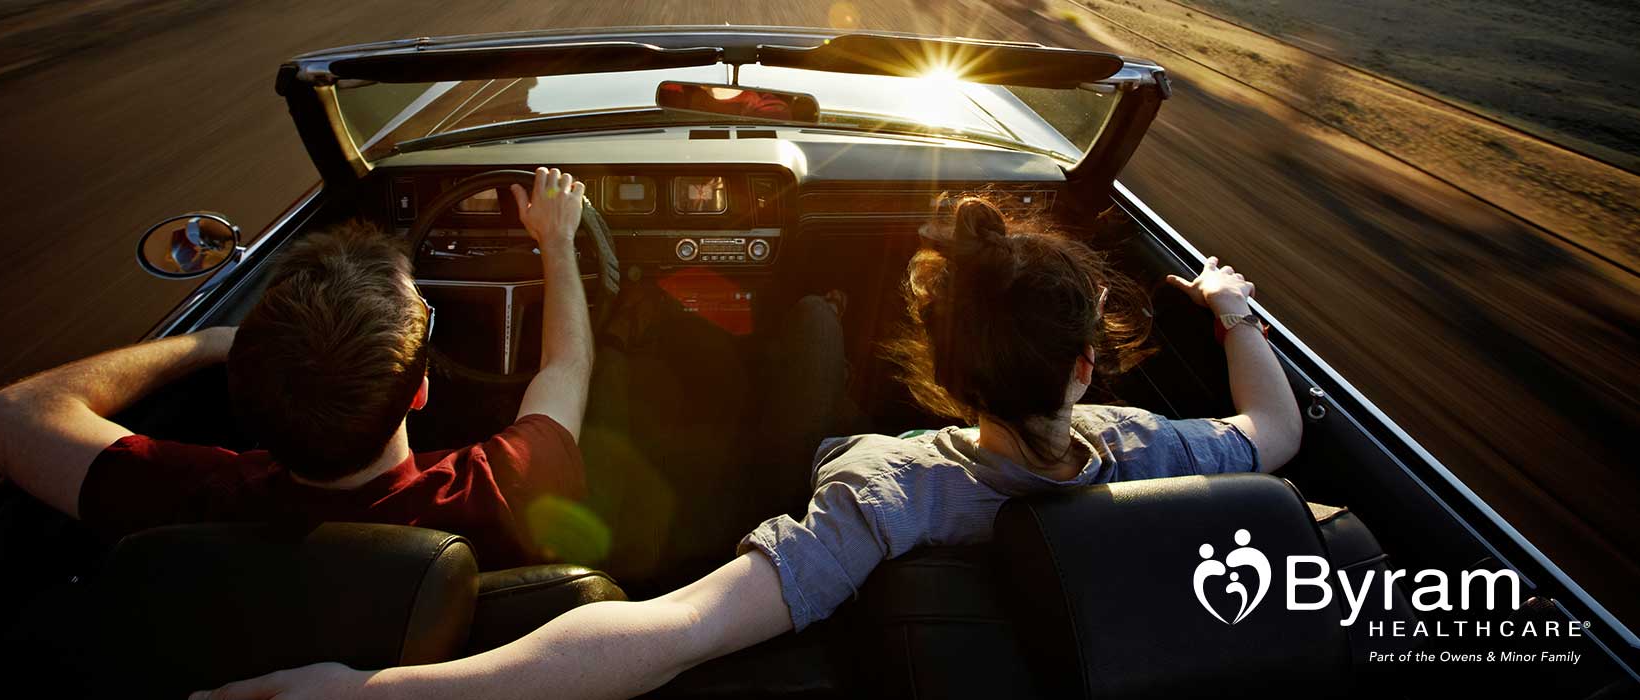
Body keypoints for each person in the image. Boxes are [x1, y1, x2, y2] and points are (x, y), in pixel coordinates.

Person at [194, 197, 1304, 699]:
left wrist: (378, 693)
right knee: (807, 319)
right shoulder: (1154, 447)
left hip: (830, 509)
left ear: (937, 365)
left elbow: (666, 628)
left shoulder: (885, 487)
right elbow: (1276, 431)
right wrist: (1232, 312)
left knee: (808, 328)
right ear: (1083, 364)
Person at [0, 167, 594, 570]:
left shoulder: (190, 501)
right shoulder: (503, 489)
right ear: (421, 392)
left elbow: (6, 413)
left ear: (246, 389)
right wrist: (557, 243)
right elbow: (567, 365)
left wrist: (209, 343)